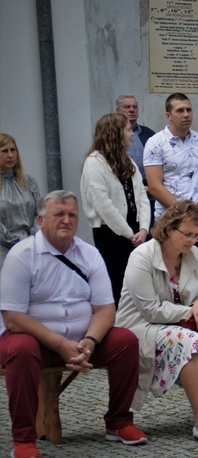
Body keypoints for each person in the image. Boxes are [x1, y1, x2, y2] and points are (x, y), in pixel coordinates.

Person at [1, 191, 147, 458]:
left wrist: (89, 343)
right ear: (41, 220)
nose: (66, 220)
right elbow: (13, 318)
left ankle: (118, 422)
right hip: (35, 341)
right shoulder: (21, 255)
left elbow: (105, 309)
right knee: (21, 349)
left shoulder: (89, 254)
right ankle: (23, 439)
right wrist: (60, 344)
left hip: (82, 341)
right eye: (59, 214)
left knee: (126, 340)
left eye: (72, 215)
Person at [115, 200, 198, 444]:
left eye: (197, 236)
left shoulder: (191, 255)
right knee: (191, 341)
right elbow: (150, 310)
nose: (192, 241)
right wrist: (192, 311)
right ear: (169, 228)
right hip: (142, 327)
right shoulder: (142, 256)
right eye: (187, 234)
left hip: (178, 324)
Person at [80, 113, 150, 307]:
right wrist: (130, 234)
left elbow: (141, 197)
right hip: (110, 232)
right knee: (117, 282)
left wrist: (143, 228)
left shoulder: (128, 161)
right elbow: (103, 205)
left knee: (139, 281)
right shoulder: (94, 162)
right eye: (128, 130)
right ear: (115, 133)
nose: (132, 134)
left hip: (136, 232)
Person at [143, 93, 198, 263]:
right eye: (180, 110)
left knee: (197, 270)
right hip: (169, 220)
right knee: (170, 272)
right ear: (168, 115)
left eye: (189, 110)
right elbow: (154, 186)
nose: (186, 114)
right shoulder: (156, 143)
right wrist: (183, 215)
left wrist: (197, 212)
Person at [0, 133, 41, 270]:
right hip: (3, 246)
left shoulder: (28, 181)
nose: (10, 155)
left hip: (30, 244)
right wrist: (13, 242)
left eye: (13, 150)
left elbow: (39, 212)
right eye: (4, 151)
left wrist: (32, 238)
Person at [117, 94, 156, 224]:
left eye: (135, 107)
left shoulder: (149, 135)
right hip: (122, 198)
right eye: (127, 107)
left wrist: (150, 187)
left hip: (148, 196)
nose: (132, 110)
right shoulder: (112, 136)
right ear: (118, 111)